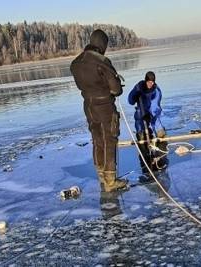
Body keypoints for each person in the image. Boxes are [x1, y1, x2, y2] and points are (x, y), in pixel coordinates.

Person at [70, 29, 128, 192]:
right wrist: (115, 86)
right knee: (109, 139)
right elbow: (116, 90)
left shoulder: (76, 63)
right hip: (104, 106)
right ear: (102, 44)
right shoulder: (102, 61)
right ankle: (110, 180)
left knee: (97, 139)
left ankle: (102, 176)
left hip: (88, 106)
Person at [128, 71, 167, 179]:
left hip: (153, 115)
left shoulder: (156, 91)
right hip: (141, 114)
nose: (150, 84)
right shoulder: (139, 87)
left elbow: (155, 105)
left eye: (152, 82)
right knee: (141, 134)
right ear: (145, 80)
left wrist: (150, 114)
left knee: (159, 131)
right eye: (148, 81)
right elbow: (130, 100)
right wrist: (134, 96)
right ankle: (145, 164)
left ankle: (161, 155)